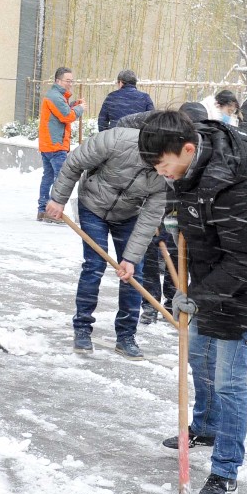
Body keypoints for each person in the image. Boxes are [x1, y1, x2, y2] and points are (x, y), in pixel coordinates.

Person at [139, 109, 247, 494]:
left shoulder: (231, 183)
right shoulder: (185, 168)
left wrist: (199, 296)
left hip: (245, 292)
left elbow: (244, 256)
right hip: (205, 283)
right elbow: (188, 221)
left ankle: (226, 470)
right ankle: (205, 427)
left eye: (165, 165)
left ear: (187, 148)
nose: (163, 174)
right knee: (199, 361)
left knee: (229, 381)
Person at [43, 118, 170, 358]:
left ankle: (126, 335)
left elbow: (151, 216)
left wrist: (130, 259)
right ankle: (82, 327)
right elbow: (74, 163)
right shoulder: (117, 140)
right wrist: (58, 199)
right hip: (93, 205)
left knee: (134, 273)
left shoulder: (168, 171)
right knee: (94, 265)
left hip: (130, 213)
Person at [37, 68, 83, 222]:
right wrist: (79, 109)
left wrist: (74, 105)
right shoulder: (55, 96)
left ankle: (43, 209)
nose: (70, 84)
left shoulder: (55, 96)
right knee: (60, 178)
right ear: (58, 81)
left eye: (71, 80)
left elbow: (62, 112)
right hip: (55, 145)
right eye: (67, 81)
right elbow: (66, 116)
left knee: (49, 177)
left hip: (48, 144)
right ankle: (52, 213)